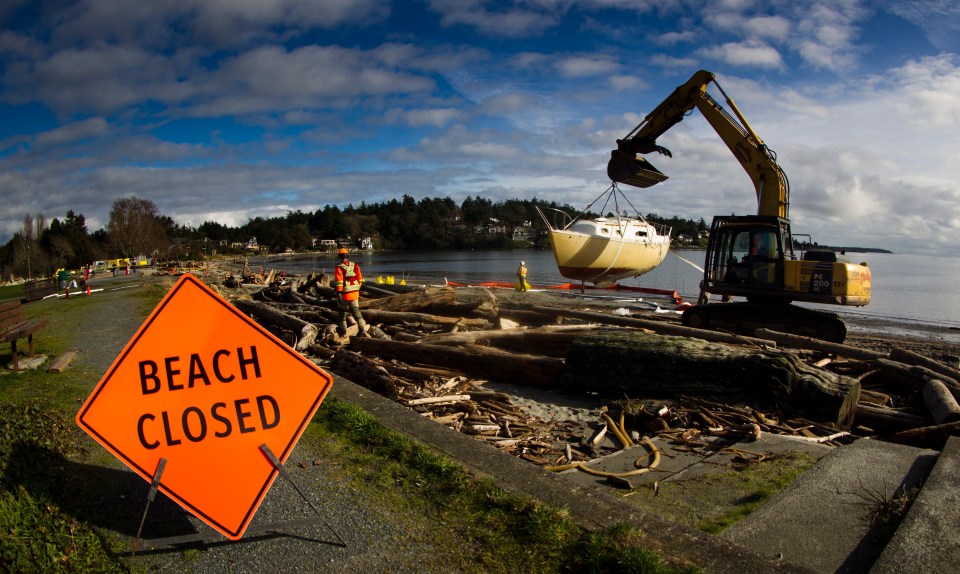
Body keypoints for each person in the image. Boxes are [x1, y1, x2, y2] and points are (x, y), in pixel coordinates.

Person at [333, 247, 368, 336]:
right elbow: (360, 279)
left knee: (342, 311)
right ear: (347, 255)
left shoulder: (339, 267)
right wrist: (356, 289)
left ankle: (343, 329)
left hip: (344, 294)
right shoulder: (355, 265)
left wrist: (339, 292)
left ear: (339, 257)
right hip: (355, 294)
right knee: (356, 312)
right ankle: (362, 328)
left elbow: (339, 281)